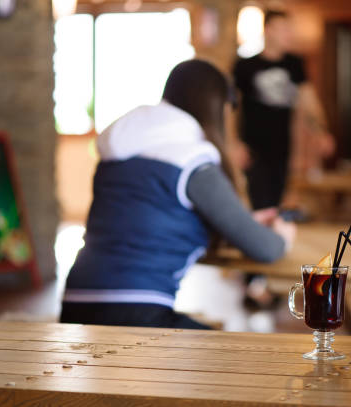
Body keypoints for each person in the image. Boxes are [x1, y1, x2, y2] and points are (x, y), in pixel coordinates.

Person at [60, 60, 296, 329]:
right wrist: (282, 237)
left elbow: (148, 218)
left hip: (75, 303)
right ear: (216, 107)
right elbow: (266, 248)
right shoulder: (192, 160)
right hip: (135, 313)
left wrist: (245, 221)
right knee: (239, 357)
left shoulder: (122, 151)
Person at [233, 9, 334, 210]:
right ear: (269, 30)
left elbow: (307, 100)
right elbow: (231, 108)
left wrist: (321, 131)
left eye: (290, 29)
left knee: (277, 199)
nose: (289, 34)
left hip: (282, 145)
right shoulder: (245, 66)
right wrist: (234, 143)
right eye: (284, 29)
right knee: (259, 201)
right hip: (253, 145)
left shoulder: (294, 64)